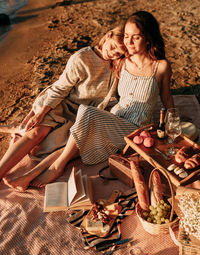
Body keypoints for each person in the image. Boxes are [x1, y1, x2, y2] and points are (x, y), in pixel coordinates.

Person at [5, 10, 174, 191]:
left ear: (148, 38)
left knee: (86, 115)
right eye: (126, 36)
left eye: (136, 37)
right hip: (114, 117)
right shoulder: (122, 61)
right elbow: (100, 57)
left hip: (136, 128)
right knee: (77, 139)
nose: (128, 43)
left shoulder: (160, 66)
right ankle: (28, 175)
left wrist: (174, 124)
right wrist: (39, 110)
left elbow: (166, 98)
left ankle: (56, 167)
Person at [0, 26, 126, 182]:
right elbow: (61, 89)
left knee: (59, 147)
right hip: (63, 104)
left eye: (119, 52)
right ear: (108, 36)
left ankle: (18, 129)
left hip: (85, 113)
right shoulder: (81, 58)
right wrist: (40, 114)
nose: (113, 53)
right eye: (113, 47)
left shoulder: (117, 63)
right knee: (36, 133)